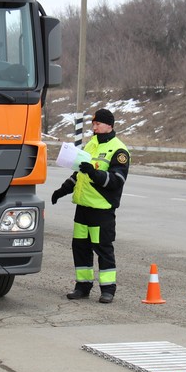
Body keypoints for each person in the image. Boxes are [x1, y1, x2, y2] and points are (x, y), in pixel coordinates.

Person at [50, 108, 130, 304]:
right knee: (80, 248)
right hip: (83, 207)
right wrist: (62, 190)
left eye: (98, 124)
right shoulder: (90, 145)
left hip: (101, 208)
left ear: (109, 125)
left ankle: (108, 289)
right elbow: (79, 174)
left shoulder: (118, 150)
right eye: (93, 124)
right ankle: (82, 287)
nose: (94, 127)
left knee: (103, 249)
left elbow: (116, 180)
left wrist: (94, 173)